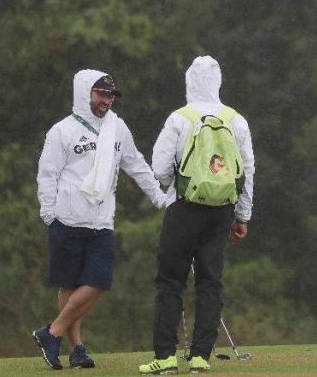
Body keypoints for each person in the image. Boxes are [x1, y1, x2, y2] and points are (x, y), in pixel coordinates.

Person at [33, 70, 167, 370]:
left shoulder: (117, 128)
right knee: (69, 285)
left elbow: (137, 165)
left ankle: (51, 332)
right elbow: (48, 173)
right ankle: (77, 348)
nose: (106, 101)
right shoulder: (62, 131)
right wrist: (48, 212)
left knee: (99, 281)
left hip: (101, 220)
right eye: (100, 94)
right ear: (85, 93)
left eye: (109, 96)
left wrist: (160, 198)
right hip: (66, 219)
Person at [139, 55, 255, 375]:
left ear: (189, 82)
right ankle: (201, 356)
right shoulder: (236, 120)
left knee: (170, 281)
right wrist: (242, 216)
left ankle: (165, 358)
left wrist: (167, 189)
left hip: (184, 207)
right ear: (218, 82)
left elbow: (161, 169)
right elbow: (247, 172)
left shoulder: (180, 118)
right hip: (222, 210)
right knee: (209, 281)